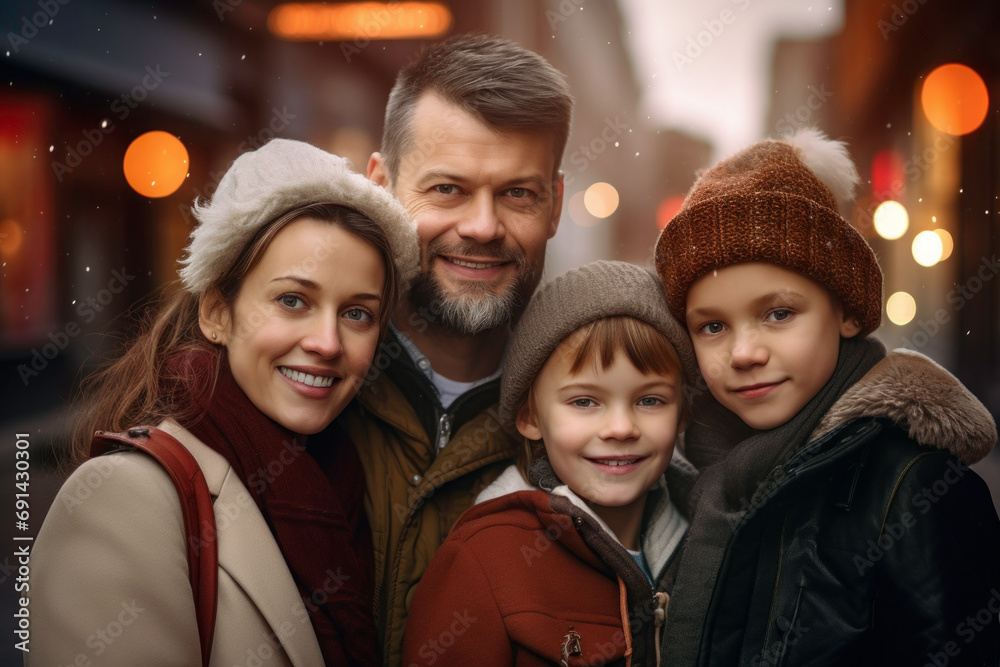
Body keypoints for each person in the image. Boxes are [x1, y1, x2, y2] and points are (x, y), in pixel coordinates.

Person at [27, 138, 419, 666]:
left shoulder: (350, 481)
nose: (328, 342)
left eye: (357, 314)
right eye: (292, 300)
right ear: (217, 313)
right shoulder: (124, 499)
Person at [653, 128, 1000, 665]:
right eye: (713, 326)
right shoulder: (688, 486)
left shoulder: (916, 491)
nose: (744, 352)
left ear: (845, 312)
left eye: (779, 314)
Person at [330, 33, 574, 665]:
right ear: (380, 184)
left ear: (555, 204)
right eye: (448, 190)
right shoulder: (296, 392)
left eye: (518, 193)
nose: (483, 227)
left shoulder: (602, 435)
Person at [402, 260, 699, 666]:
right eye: (584, 401)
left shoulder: (706, 542)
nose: (620, 427)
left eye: (650, 400)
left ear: (682, 414)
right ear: (530, 417)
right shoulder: (481, 564)